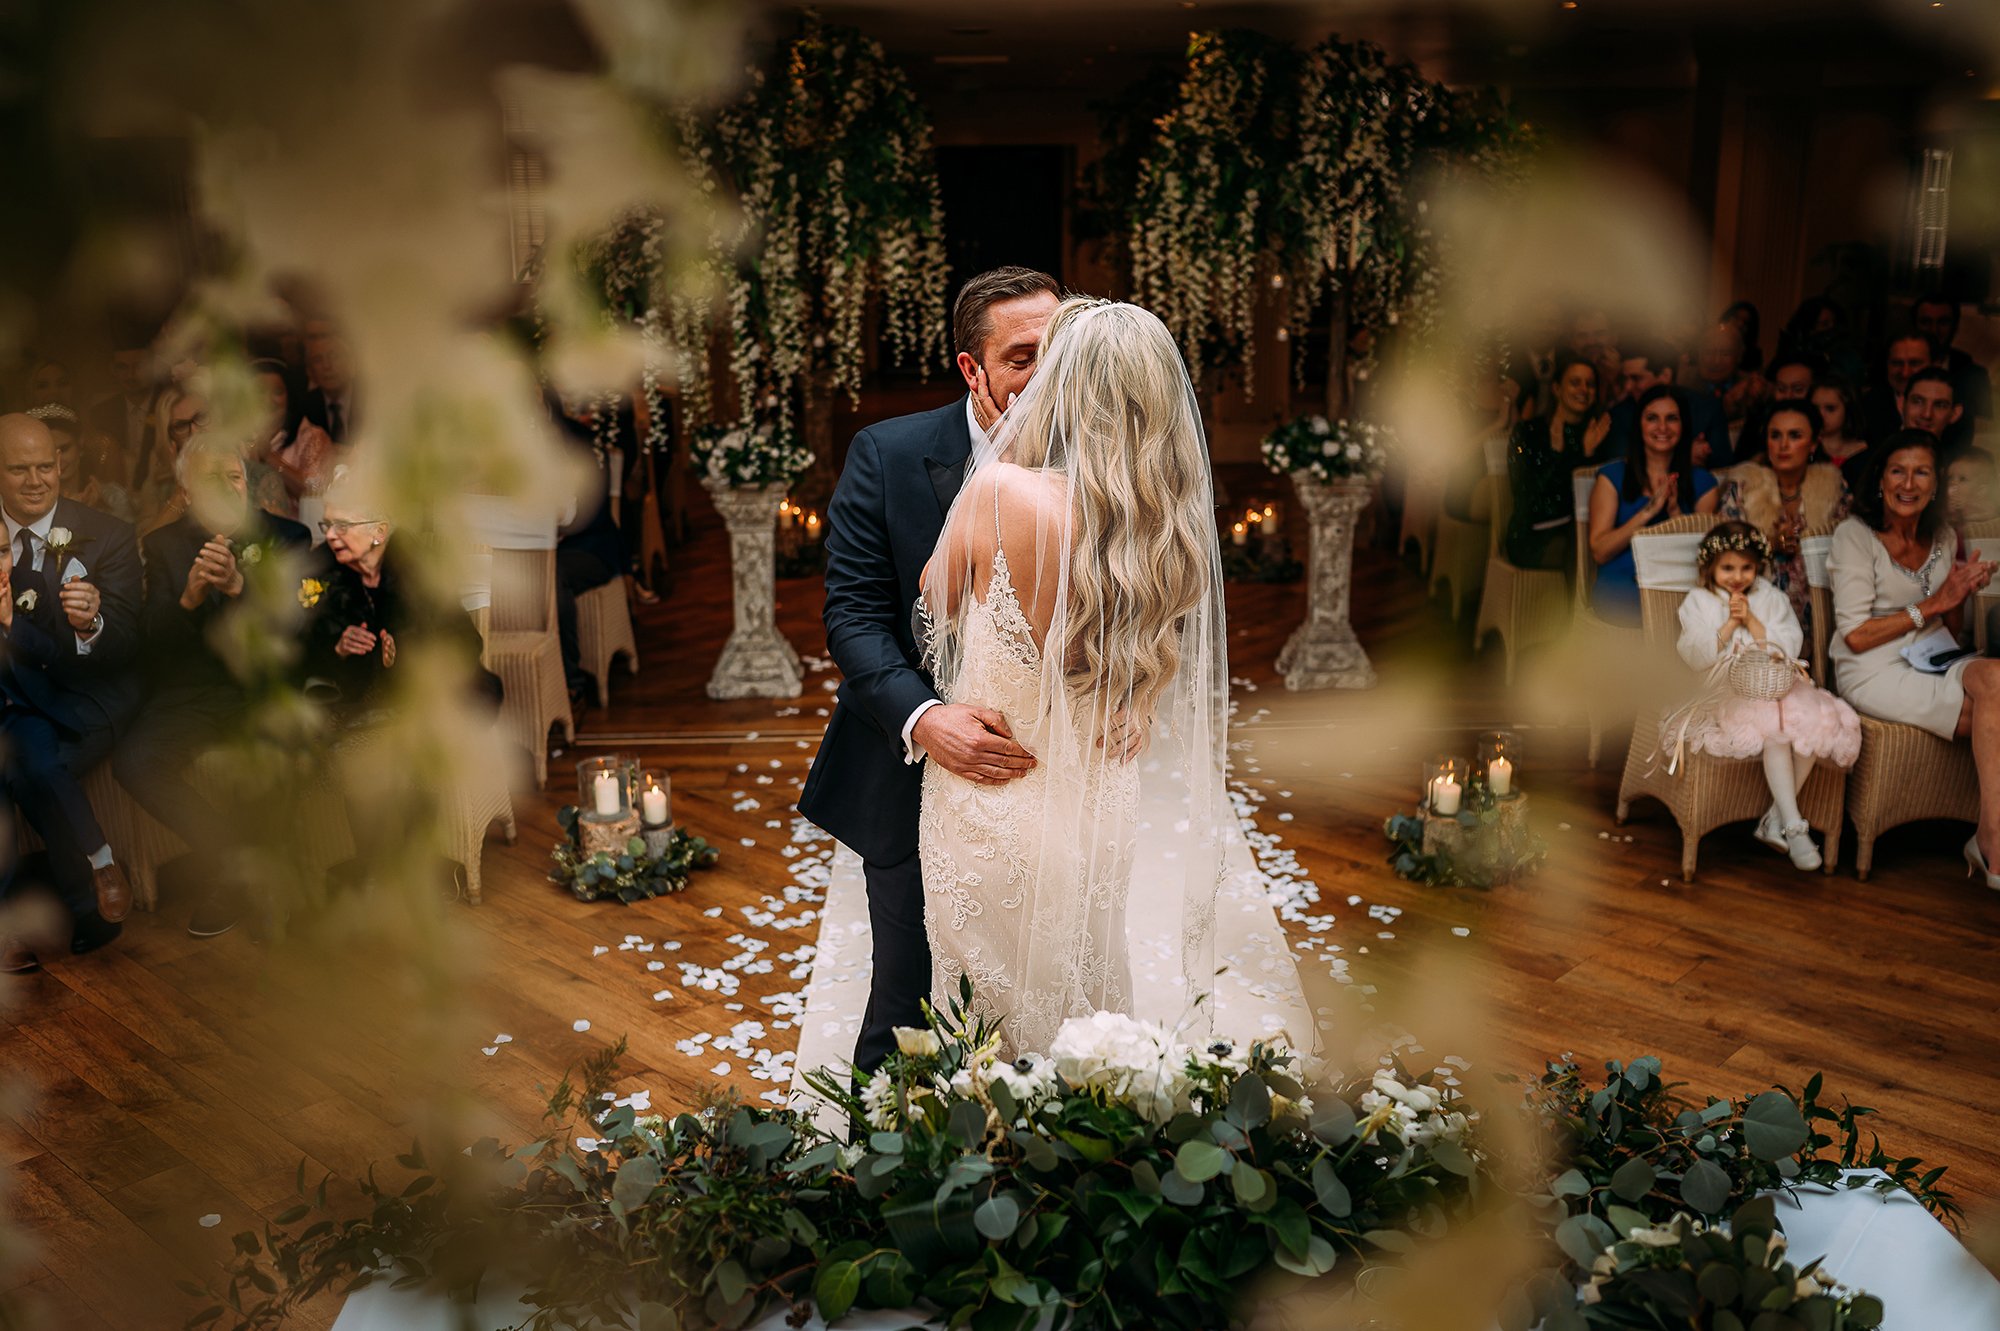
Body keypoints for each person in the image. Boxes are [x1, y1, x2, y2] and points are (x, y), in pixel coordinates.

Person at [915, 296, 1235, 1056]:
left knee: (985, 1027)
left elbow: (934, 605)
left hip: (991, 799)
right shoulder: (1162, 524)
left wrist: (1009, 450)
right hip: (1094, 802)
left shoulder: (1000, 492)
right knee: (1082, 1000)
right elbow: (1142, 673)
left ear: (1063, 385)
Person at [799, 265, 1061, 1072]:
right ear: (970, 369)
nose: (1046, 376)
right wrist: (926, 719)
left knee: (1047, 994)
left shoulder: (1101, 459)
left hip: (1060, 779)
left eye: (1061, 353)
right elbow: (853, 615)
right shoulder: (889, 453)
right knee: (908, 1003)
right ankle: (874, 1182)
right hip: (917, 778)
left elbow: (1138, 610)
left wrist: (1130, 697)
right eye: (1022, 358)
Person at [111, 437, 312, 937]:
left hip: (262, 687)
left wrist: (242, 590)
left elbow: (299, 632)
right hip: (195, 690)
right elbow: (151, 643)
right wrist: (187, 598)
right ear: (186, 490)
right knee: (134, 762)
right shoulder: (163, 545)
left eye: (235, 477)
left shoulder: (290, 538)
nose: (225, 488)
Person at [0, 413, 142, 972]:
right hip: (8, 701)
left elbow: (130, 642)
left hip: (81, 698)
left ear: (61, 464)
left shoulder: (106, 534)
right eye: (17, 470)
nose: (36, 480)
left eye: (45, 466)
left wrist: (91, 626)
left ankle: (85, 901)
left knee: (25, 763)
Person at [1826, 430, 2000, 884]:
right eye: (1897, 471)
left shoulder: (1942, 534)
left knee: (1997, 680)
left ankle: (1988, 836)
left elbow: (1952, 628)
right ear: (1880, 480)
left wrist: (1960, 591)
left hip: (1934, 655)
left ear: (1936, 484)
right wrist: (1935, 603)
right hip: (1872, 668)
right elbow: (1857, 636)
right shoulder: (1855, 536)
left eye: (1921, 472)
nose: (1909, 483)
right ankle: (1992, 846)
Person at [1674, 521, 1860, 870]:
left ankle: (1777, 819)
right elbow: (1695, 656)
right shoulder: (1697, 601)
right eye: (1728, 568)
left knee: (1814, 719)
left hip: (1775, 688)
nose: (1737, 576)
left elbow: (1789, 645)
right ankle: (1793, 827)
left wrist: (1755, 623)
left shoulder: (1770, 597)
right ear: (1710, 567)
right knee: (1776, 724)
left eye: (1746, 567)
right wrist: (1730, 623)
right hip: (1726, 693)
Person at [1715, 400, 1850, 647]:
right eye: (1775, 435)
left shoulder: (1831, 487)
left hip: (1821, 603)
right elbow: (1722, 550)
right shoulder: (1745, 486)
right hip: (1754, 602)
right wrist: (1769, 544)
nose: (1783, 445)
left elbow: (1848, 549)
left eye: (1795, 435)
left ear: (1813, 443)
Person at [1585, 383, 1720, 625]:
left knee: (1701, 612)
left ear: (1683, 425)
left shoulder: (1704, 483)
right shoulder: (1612, 476)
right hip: (1622, 588)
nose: (1662, 427)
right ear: (1639, 424)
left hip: (1682, 588)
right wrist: (1648, 512)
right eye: (1652, 418)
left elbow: (1705, 557)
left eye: (1671, 419)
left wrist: (1675, 512)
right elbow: (1600, 552)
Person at [1504, 351, 1608, 570]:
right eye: (1575, 383)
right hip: (1533, 536)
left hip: (1579, 530)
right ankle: (1579, 605)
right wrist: (1559, 454)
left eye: (1590, 385)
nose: (1583, 390)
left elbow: (1593, 501)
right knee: (1583, 547)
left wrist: (1589, 454)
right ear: (1557, 388)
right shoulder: (1529, 432)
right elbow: (1533, 503)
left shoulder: (1595, 434)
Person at [1601, 342, 1727, 467]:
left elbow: (1724, 467)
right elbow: (1620, 467)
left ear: (1665, 376)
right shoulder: (1620, 414)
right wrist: (1682, 457)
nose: (1628, 387)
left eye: (1636, 378)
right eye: (1625, 379)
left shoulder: (1706, 408)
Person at [1912, 292, 1993, 431]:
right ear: (1914, 325)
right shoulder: (1898, 369)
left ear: (1955, 327)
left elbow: (1984, 431)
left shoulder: (1974, 375)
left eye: (1942, 322)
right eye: (1926, 322)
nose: (1933, 330)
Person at [1688, 323, 1761, 467]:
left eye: (1725, 354)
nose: (1716, 361)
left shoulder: (1753, 387)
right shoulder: (1682, 384)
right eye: (1709, 352)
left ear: (1740, 356)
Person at [1862, 333, 1935, 444]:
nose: (1905, 373)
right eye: (1897, 363)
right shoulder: (1867, 406)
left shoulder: (1950, 405)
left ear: (1934, 365)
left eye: (1914, 363)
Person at [301, 321, 358, 443]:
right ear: (310, 372)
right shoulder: (304, 408)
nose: (327, 366)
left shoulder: (369, 400)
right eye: (318, 360)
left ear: (351, 363)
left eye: (334, 356)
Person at [1899, 367, 1965, 457]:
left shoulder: (1960, 466)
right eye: (1918, 401)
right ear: (1902, 404)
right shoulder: (1876, 452)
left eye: (1940, 405)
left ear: (1955, 414)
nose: (1927, 414)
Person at [1811, 377, 1870, 477]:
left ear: (1848, 409)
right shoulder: (1805, 448)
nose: (1820, 415)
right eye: (1815, 408)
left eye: (1830, 408)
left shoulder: (1866, 452)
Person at [1947, 447, 1997, 529]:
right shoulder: (1947, 502)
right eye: (1950, 477)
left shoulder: (1983, 507)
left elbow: (1991, 513)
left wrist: (1964, 512)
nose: (1953, 483)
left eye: (1962, 479)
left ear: (1981, 490)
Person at [1721, 299, 1764, 374]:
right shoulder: (1711, 343)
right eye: (1736, 318)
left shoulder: (1754, 354)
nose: (1740, 324)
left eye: (1746, 323)